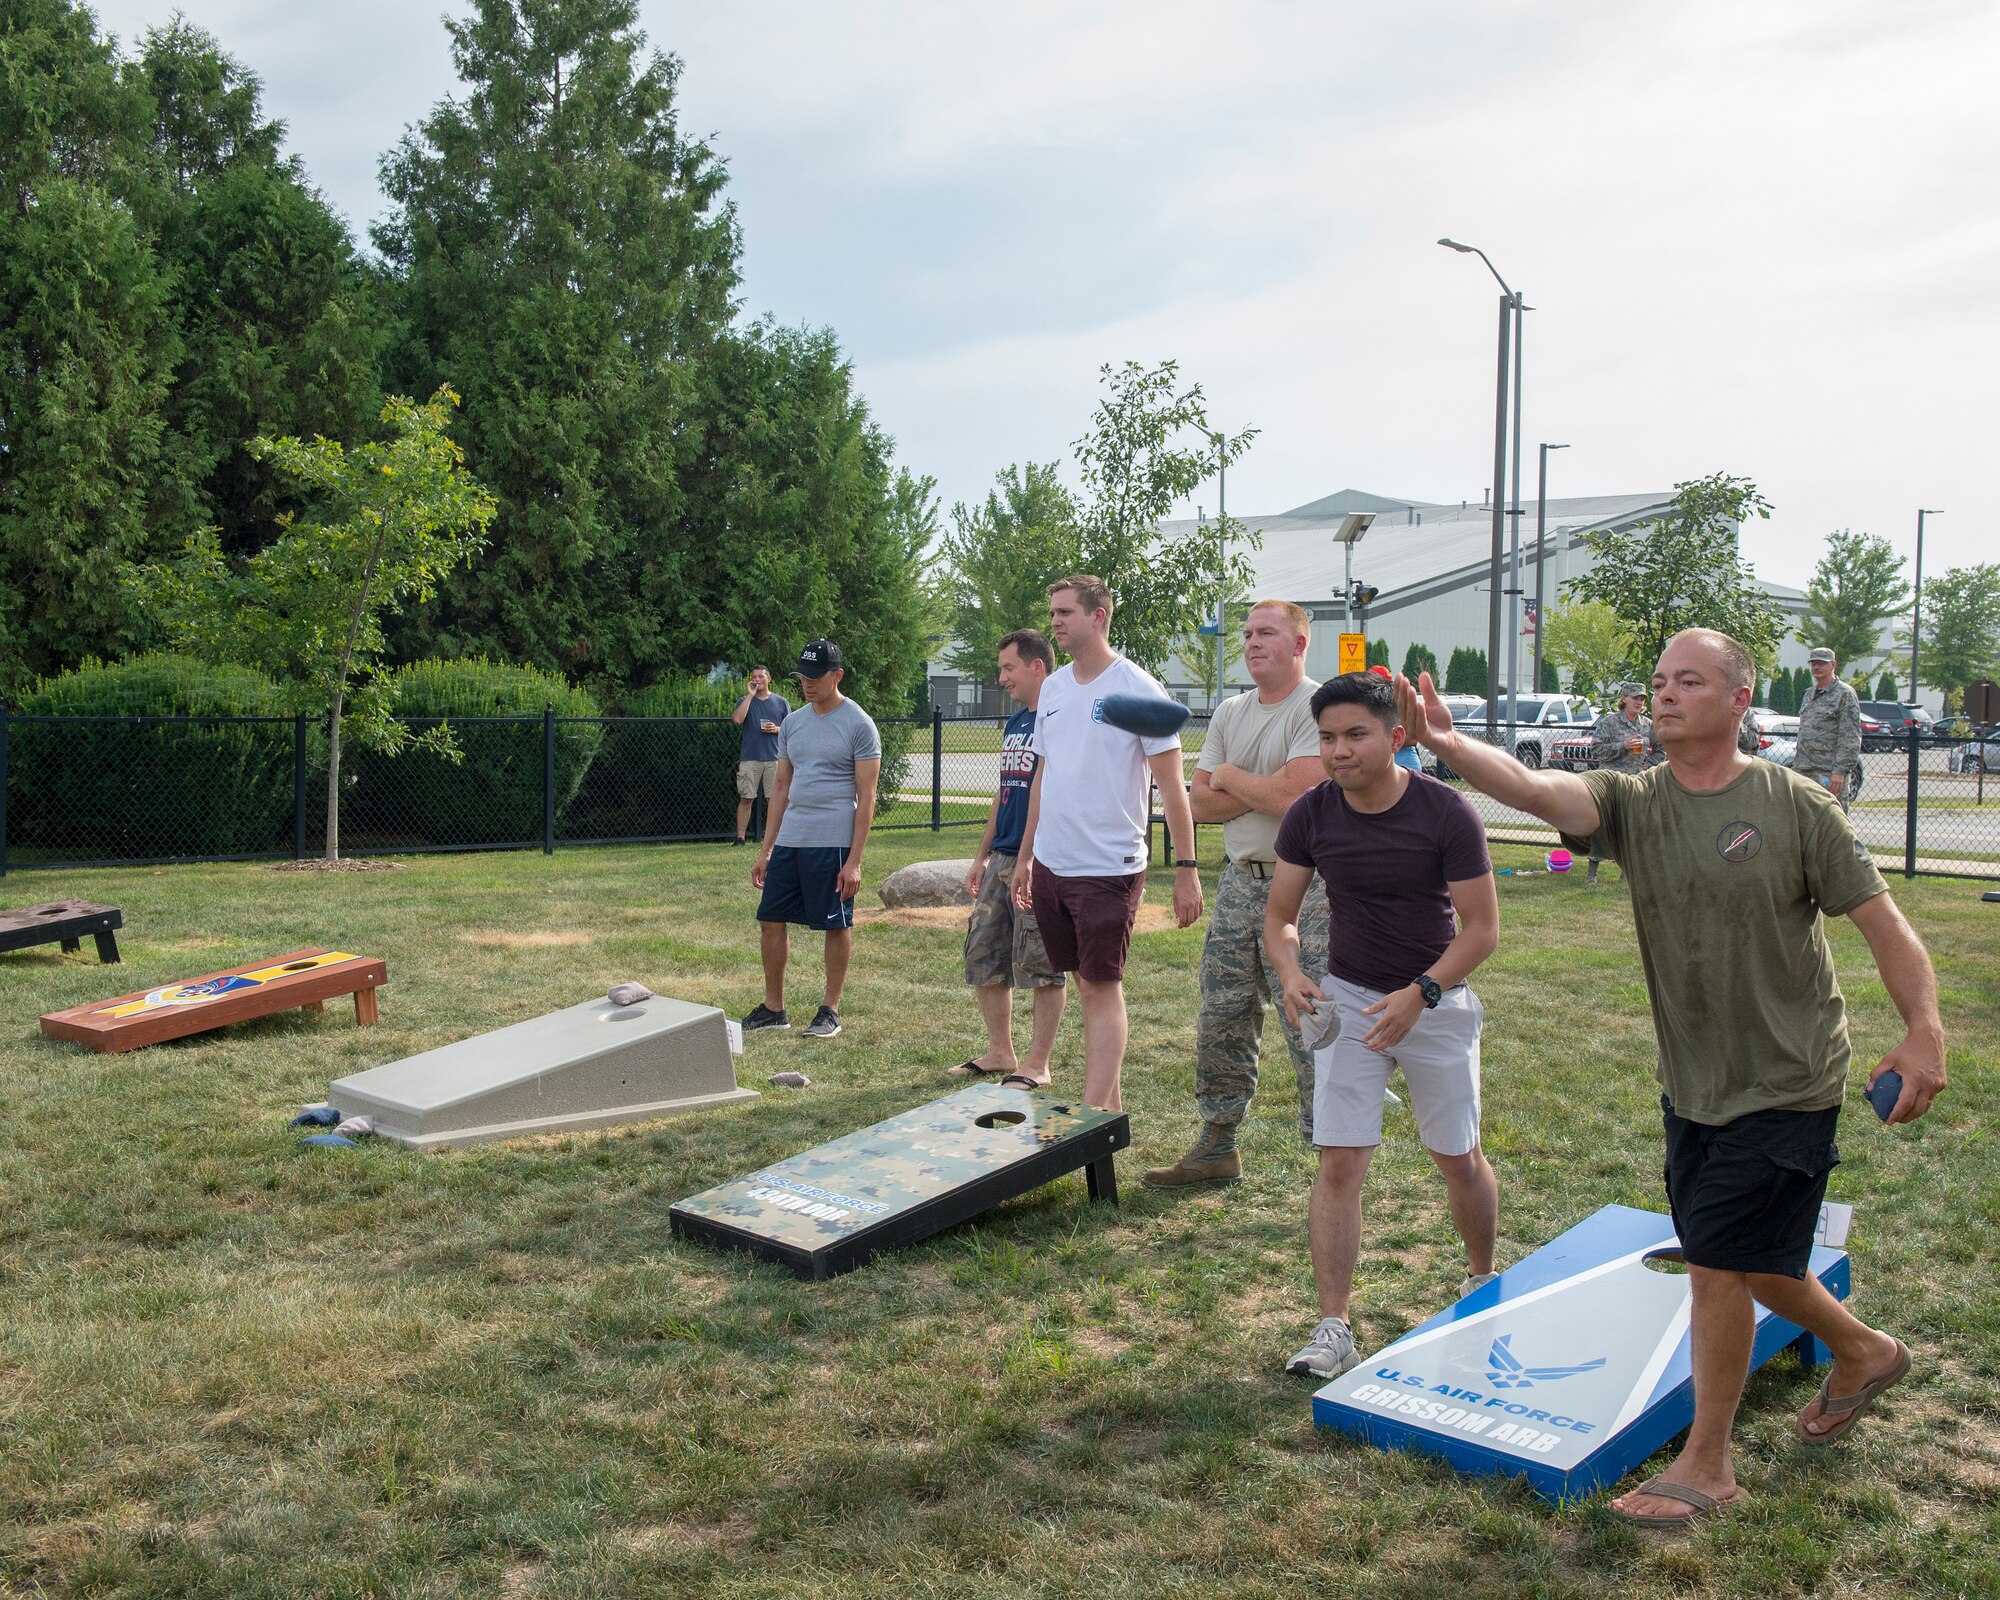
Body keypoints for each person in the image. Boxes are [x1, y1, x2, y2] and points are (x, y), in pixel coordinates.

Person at [1393, 629, 1945, 1529]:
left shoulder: (1796, 804)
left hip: (1789, 1073)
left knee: (1720, 1263)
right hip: (1693, 1080)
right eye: (1659, 680)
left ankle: (1708, 1464)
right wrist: (1451, 748)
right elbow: (1540, 789)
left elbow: (1885, 926)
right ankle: (1865, 1350)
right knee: (1755, 1261)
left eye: (1690, 680)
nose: (1667, 693)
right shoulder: (1631, 801)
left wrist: (1922, 1032)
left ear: (1738, 700)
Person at [1265, 671, 1501, 1379]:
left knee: (1457, 1155)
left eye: (1355, 735)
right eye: (1328, 737)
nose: (1339, 751)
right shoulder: (1310, 814)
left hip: (1437, 1000)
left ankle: (1482, 1282)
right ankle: (1333, 1326)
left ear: (1396, 738)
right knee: (1339, 1159)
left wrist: (1421, 992)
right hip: (1350, 1002)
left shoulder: (1446, 812)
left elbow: (1483, 931)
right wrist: (1290, 973)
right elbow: (1277, 918)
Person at [1144, 601, 1331, 1187]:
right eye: (1248, 633)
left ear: (1299, 645)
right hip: (1238, 881)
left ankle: (1331, 1155)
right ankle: (1217, 1145)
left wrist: (1230, 776)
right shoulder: (1229, 711)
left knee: (1310, 1019)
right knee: (1222, 1015)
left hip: (1304, 888)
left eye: (1266, 633)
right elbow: (1198, 803)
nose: (1251, 643)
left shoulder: (1316, 706)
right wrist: (1263, 785)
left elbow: (1297, 801)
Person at [1013, 575, 1203, 1111]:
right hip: (1053, 863)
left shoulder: (1137, 688)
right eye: (1052, 611)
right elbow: (1041, 778)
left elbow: (1172, 788)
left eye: (1065, 612)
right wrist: (1027, 856)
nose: (1054, 621)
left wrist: (1186, 868)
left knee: (1100, 987)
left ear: (1098, 617)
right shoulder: (1051, 688)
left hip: (1108, 867)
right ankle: (1110, 1111)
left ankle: (1093, 1119)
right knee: (1083, 982)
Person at [743, 640, 880, 1040]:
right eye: (802, 676)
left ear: (837, 676)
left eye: (814, 677)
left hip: (833, 840)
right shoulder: (794, 723)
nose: (806, 684)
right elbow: (781, 787)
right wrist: (766, 850)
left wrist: (854, 861)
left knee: (835, 924)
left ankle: (829, 1010)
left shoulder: (858, 723)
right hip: (791, 839)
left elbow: (867, 796)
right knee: (770, 918)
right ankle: (773, 1008)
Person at [952, 629, 1067, 1087]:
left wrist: (1030, 857)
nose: (1002, 678)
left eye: (1008, 668)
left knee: (1041, 962)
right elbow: (1004, 793)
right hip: (1002, 857)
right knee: (983, 952)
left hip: (1039, 859)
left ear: (1037, 666)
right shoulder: (1016, 722)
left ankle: (1037, 1064)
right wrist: (982, 856)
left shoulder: (1058, 719)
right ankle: (1001, 1051)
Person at [1586, 684, 1653, 883]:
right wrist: (1621, 746)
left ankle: (1626, 873)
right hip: (1609, 780)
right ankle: (1592, 873)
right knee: (1602, 826)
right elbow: (1596, 750)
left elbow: (1660, 748)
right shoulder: (1611, 722)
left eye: (1642, 699)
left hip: (1635, 782)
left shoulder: (1648, 725)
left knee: (1630, 827)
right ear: (1624, 699)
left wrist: (1648, 766)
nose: (1639, 702)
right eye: (1635, 698)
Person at [1797, 646, 1863, 812]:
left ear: (1833, 665)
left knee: (1833, 819)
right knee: (1804, 818)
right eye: (1813, 664)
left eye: (1821, 663)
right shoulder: (1809, 694)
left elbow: (1850, 736)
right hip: (1803, 769)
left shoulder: (1844, 694)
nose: (1816, 668)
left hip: (1828, 771)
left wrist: (1840, 771)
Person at [731, 666, 791, 845]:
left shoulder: (781, 702)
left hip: (775, 758)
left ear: (769, 679)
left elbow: (791, 729)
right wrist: (750, 695)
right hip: (750, 757)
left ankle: (775, 838)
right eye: (754, 677)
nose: (757, 680)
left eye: (761, 677)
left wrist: (777, 729)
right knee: (746, 798)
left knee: (774, 800)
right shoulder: (745, 700)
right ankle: (740, 838)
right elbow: (737, 720)